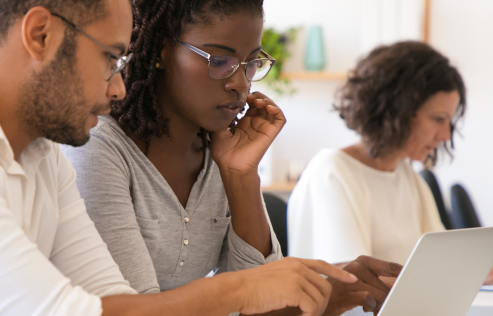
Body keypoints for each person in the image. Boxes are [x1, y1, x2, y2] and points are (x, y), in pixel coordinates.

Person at [0, 0, 390, 314]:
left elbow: (117, 302)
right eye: (111, 57)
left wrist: (299, 286)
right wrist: (246, 286)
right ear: (40, 34)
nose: (117, 89)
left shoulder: (42, 157)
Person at [62, 0, 402, 314]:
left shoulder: (221, 153)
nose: (241, 83)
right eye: (220, 61)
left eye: (251, 63)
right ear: (162, 51)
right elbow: (140, 309)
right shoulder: (97, 149)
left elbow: (261, 306)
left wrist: (241, 175)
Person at [287, 41, 493, 285]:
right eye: (438, 119)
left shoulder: (405, 175)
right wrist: (473, 276)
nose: (446, 135)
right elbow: (353, 284)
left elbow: (445, 263)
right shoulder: (332, 171)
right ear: (397, 111)